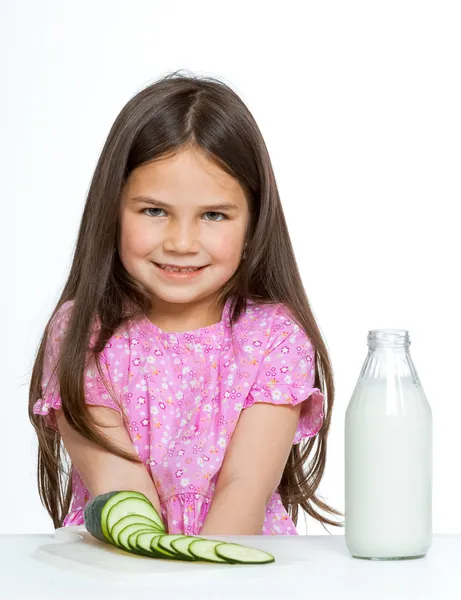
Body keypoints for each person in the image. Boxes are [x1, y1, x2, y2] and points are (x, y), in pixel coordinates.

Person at [28, 70, 343, 536]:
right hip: (123, 570)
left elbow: (243, 488)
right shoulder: (83, 333)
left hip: (234, 569)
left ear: (253, 222)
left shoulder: (274, 337)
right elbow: (127, 500)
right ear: (113, 209)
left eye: (213, 215)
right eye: (154, 211)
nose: (180, 242)